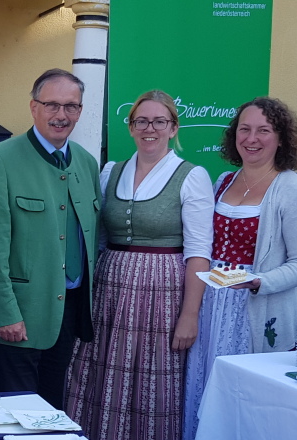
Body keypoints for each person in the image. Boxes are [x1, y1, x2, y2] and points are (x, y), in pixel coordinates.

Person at [63, 90, 212, 440]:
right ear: (130, 127)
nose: (150, 129)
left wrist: (189, 315)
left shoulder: (191, 176)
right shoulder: (111, 171)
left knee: (152, 378)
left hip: (162, 294)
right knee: (98, 372)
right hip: (110, 290)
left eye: (160, 121)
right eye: (141, 121)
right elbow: (96, 239)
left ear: (173, 128)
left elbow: (199, 251)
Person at [182, 97, 297, 439]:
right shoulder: (224, 182)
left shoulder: (295, 192)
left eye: (264, 130)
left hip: (255, 308)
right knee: (205, 384)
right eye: (244, 129)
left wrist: (259, 280)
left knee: (245, 395)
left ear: (281, 139)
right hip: (213, 304)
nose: (252, 138)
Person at [0, 68, 100, 410]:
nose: (61, 115)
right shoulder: (0, 160)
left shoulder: (87, 164)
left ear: (80, 111)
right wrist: (5, 313)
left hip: (67, 313)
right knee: (16, 414)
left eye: (71, 107)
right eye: (52, 105)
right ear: (33, 107)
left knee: (52, 411)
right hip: (18, 316)